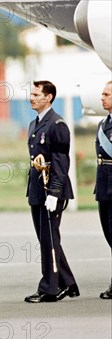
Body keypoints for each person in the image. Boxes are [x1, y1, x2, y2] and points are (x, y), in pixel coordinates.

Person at [24, 80, 79, 303]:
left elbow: (61, 160)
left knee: (49, 239)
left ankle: (49, 288)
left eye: (37, 94)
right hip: (38, 187)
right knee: (46, 237)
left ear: (49, 97)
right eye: (32, 93)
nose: (32, 97)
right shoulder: (34, 123)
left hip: (51, 189)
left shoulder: (57, 124)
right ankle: (69, 283)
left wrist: (55, 192)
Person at [95, 80, 112, 300]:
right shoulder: (103, 124)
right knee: (109, 235)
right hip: (104, 185)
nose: (102, 97)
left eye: (106, 94)